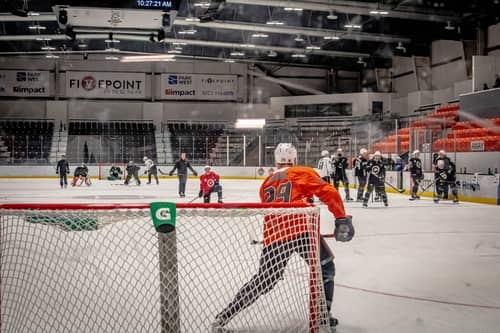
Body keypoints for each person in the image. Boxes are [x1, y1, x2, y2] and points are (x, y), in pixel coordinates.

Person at [214, 143, 354, 331]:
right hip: (300, 230)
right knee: (326, 268)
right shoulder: (301, 172)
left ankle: (224, 316)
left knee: (264, 280)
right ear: (294, 159)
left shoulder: (267, 182)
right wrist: (341, 218)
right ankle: (323, 315)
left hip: (274, 235)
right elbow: (328, 192)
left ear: (276, 161)